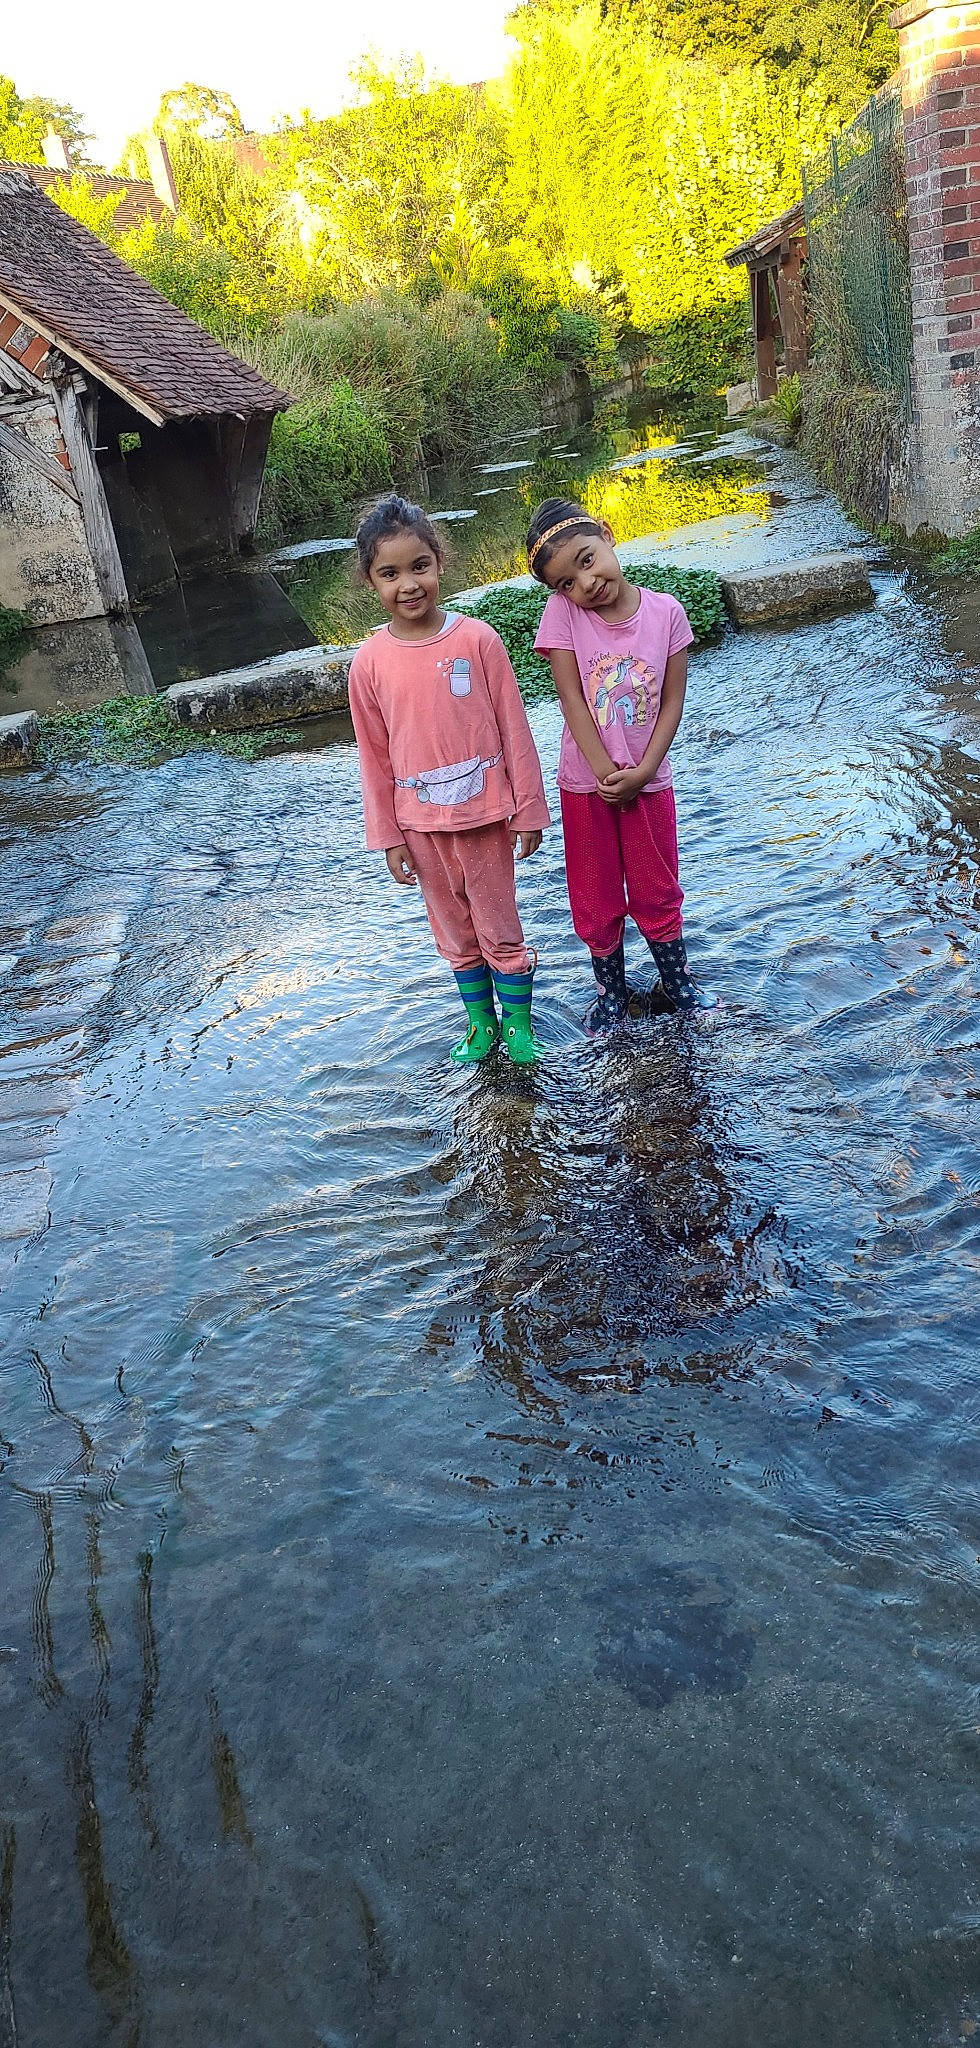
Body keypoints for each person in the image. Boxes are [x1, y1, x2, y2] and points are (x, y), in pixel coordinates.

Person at [348, 494, 551, 1066]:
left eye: (419, 567)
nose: (408, 584)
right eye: (390, 573)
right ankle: (480, 1025)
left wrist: (528, 808)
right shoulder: (368, 664)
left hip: (486, 817)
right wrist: (387, 837)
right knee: (455, 934)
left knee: (498, 924)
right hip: (420, 829)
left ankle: (518, 1026)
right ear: (371, 582)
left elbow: (514, 727)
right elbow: (374, 757)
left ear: (439, 562)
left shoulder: (478, 641)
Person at [527, 496, 719, 1033]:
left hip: (649, 781)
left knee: (657, 883)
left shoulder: (667, 614)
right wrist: (607, 775)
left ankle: (676, 982)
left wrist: (642, 771)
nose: (584, 584)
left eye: (586, 561)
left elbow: (673, 702)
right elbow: (571, 700)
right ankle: (611, 992)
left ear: (608, 536)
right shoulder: (563, 617)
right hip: (587, 787)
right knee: (595, 891)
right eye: (566, 581)